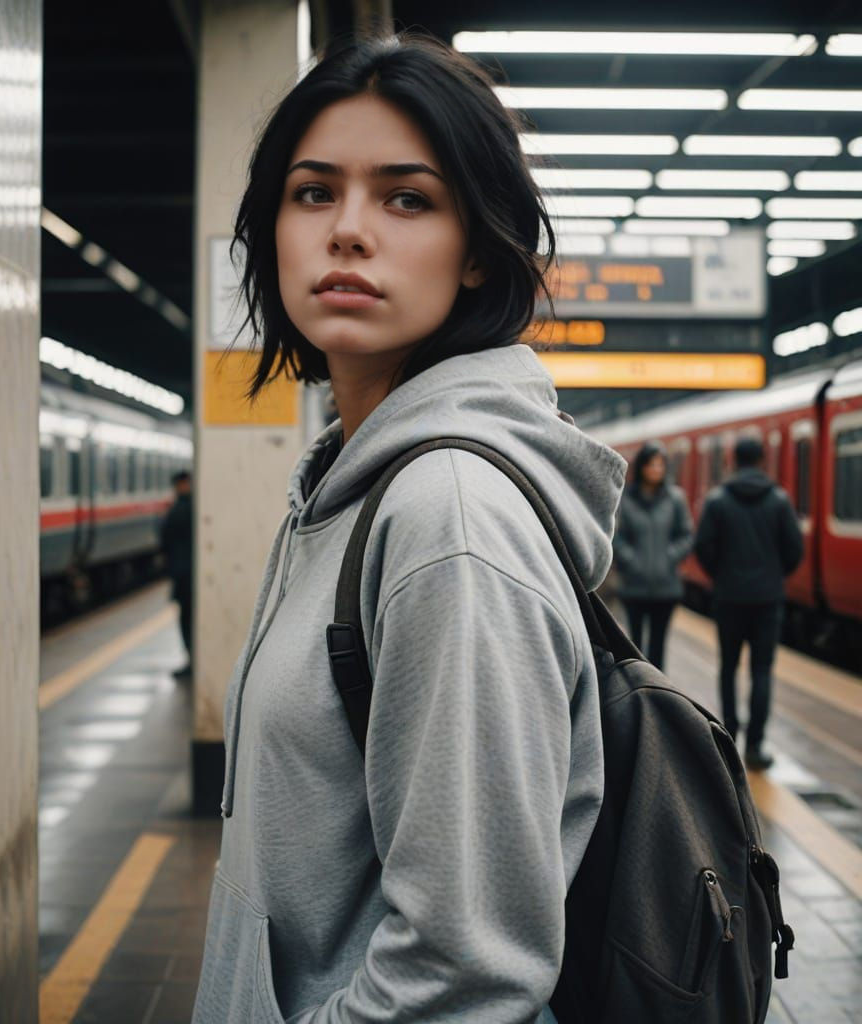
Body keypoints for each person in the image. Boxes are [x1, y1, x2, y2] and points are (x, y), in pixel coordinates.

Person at [192, 34, 626, 1024]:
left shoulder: (445, 520)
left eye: (406, 198)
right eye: (312, 192)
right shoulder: (352, 487)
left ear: (477, 251)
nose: (348, 230)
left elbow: (464, 970)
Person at [694, 436, 804, 771]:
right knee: (762, 671)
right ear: (761, 461)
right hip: (768, 600)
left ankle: (728, 736)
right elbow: (794, 551)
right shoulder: (780, 501)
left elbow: (704, 548)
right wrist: (772, 576)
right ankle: (756, 746)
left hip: (729, 598)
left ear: (733, 460)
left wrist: (723, 576)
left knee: (728, 668)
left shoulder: (718, 500)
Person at [611, 441, 693, 669]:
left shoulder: (676, 499)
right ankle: (639, 693)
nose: (656, 469)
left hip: (665, 587)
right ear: (642, 467)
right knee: (635, 647)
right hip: (634, 586)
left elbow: (686, 534)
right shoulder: (625, 499)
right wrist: (631, 560)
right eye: (651, 464)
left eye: (660, 465)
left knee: (658, 648)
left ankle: (659, 696)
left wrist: (669, 557)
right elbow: (616, 536)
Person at [159, 470, 193, 677]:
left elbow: (165, 541)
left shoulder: (177, 510)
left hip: (183, 575)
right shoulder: (195, 507)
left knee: (186, 620)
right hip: (190, 575)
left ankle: (191, 661)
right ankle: (193, 660)